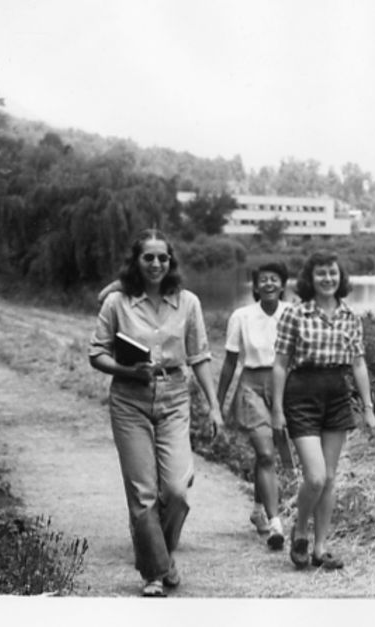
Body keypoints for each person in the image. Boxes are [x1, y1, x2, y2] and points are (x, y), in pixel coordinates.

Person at [89, 229, 223, 597]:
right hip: (129, 399)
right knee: (143, 492)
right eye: (148, 257)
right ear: (136, 261)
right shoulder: (117, 302)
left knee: (177, 491)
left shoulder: (188, 302)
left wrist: (214, 406)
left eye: (162, 257)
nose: (156, 264)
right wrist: (128, 371)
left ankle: (159, 555)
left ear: (171, 261)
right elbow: (96, 353)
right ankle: (154, 573)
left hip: (175, 397)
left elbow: (199, 356)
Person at [272, 250, 375, 571]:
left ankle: (319, 549)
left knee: (330, 478)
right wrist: (277, 409)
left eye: (333, 272)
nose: (328, 278)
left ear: (340, 276)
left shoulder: (350, 316)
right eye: (320, 273)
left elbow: (358, 363)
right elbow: (279, 364)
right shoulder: (295, 313)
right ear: (310, 278)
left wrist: (369, 408)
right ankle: (300, 529)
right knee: (315, 478)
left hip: (336, 394)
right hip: (301, 394)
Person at [215, 261, 290, 550]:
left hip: (283, 388)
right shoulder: (242, 316)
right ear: (255, 287)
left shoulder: (293, 314)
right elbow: (230, 362)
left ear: (283, 285)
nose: (269, 284)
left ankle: (258, 508)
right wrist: (217, 404)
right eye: (263, 280)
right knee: (266, 453)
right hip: (251, 388)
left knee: (269, 457)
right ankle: (275, 525)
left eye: (275, 279)